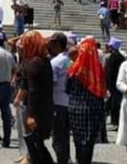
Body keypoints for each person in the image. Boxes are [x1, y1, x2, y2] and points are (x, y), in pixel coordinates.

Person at [65, 38, 107, 164]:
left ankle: (79, 160)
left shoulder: (74, 69)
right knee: (88, 141)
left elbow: (67, 89)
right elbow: (103, 90)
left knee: (78, 139)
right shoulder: (98, 70)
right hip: (94, 109)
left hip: (75, 108)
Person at [17, 31, 53, 164]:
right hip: (45, 108)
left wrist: (31, 115)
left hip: (38, 111)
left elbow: (34, 91)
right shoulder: (43, 60)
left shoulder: (35, 63)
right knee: (38, 146)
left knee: (36, 147)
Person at [48, 33, 71, 164]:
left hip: (57, 100)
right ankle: (66, 158)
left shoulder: (55, 62)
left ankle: (62, 160)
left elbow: (52, 83)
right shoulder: (69, 59)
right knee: (65, 135)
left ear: (57, 44)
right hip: (67, 100)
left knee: (57, 137)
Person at [104, 38, 125, 129]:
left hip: (113, 83)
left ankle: (115, 122)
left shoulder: (114, 57)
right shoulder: (120, 56)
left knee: (114, 103)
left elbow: (109, 71)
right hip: (115, 83)